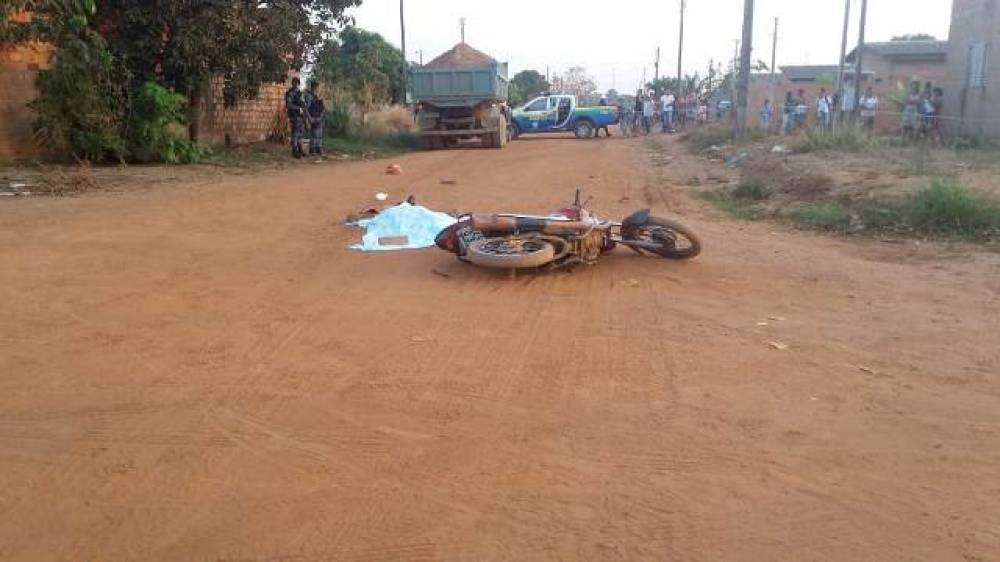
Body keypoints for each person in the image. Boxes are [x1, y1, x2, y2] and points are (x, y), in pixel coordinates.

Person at [284, 77, 306, 158]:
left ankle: (300, 149)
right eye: (294, 82)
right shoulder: (290, 93)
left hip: (300, 115)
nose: (296, 84)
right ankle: (294, 150)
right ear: (292, 83)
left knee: (300, 133)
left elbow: (303, 103)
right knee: (295, 133)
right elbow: (289, 105)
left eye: (297, 83)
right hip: (294, 115)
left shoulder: (299, 92)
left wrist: (303, 111)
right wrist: (298, 108)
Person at [305, 81, 326, 156]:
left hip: (318, 116)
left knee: (319, 133)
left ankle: (318, 147)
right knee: (314, 133)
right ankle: (312, 148)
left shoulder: (317, 96)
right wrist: (309, 118)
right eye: (317, 87)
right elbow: (306, 108)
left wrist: (321, 116)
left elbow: (322, 107)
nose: (317, 89)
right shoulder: (309, 96)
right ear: (314, 87)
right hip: (313, 116)